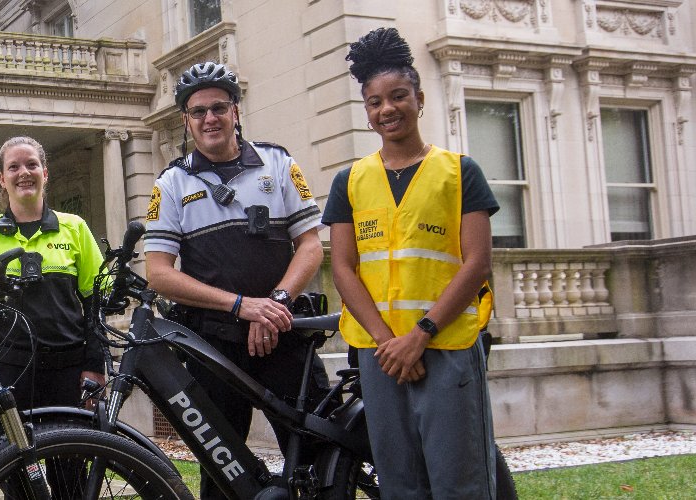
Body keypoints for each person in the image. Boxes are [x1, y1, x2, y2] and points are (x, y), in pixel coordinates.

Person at [324, 27, 502, 498]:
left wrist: (419, 336)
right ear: (366, 112)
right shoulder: (349, 181)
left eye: (398, 96)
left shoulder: (460, 172)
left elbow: (477, 263)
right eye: (375, 102)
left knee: (460, 482)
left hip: (447, 347)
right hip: (381, 355)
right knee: (399, 483)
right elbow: (344, 268)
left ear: (419, 99)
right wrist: (389, 344)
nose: (387, 109)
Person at [144, 61, 328, 498]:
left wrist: (275, 304)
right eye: (198, 111)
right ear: (186, 121)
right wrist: (243, 305)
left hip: (285, 334)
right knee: (223, 476)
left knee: (319, 461)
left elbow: (311, 245)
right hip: (214, 348)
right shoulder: (170, 183)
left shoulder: (279, 163)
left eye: (219, 107)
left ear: (236, 111)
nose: (210, 118)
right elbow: (158, 274)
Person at [0, 136, 107, 439]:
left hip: (68, 370)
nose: (24, 172)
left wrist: (94, 364)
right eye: (14, 167)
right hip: (7, 370)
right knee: (7, 469)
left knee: (71, 471)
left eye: (32, 164)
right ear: (1, 178)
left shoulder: (74, 227)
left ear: (44, 173)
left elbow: (94, 301)